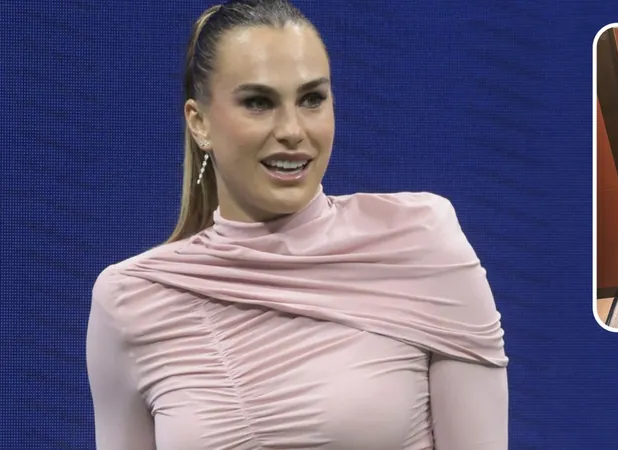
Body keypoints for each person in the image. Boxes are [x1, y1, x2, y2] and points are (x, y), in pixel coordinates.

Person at [85, 1, 509, 448]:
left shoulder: (420, 243)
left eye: (311, 99)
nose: (292, 129)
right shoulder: (131, 298)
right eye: (258, 102)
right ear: (199, 122)